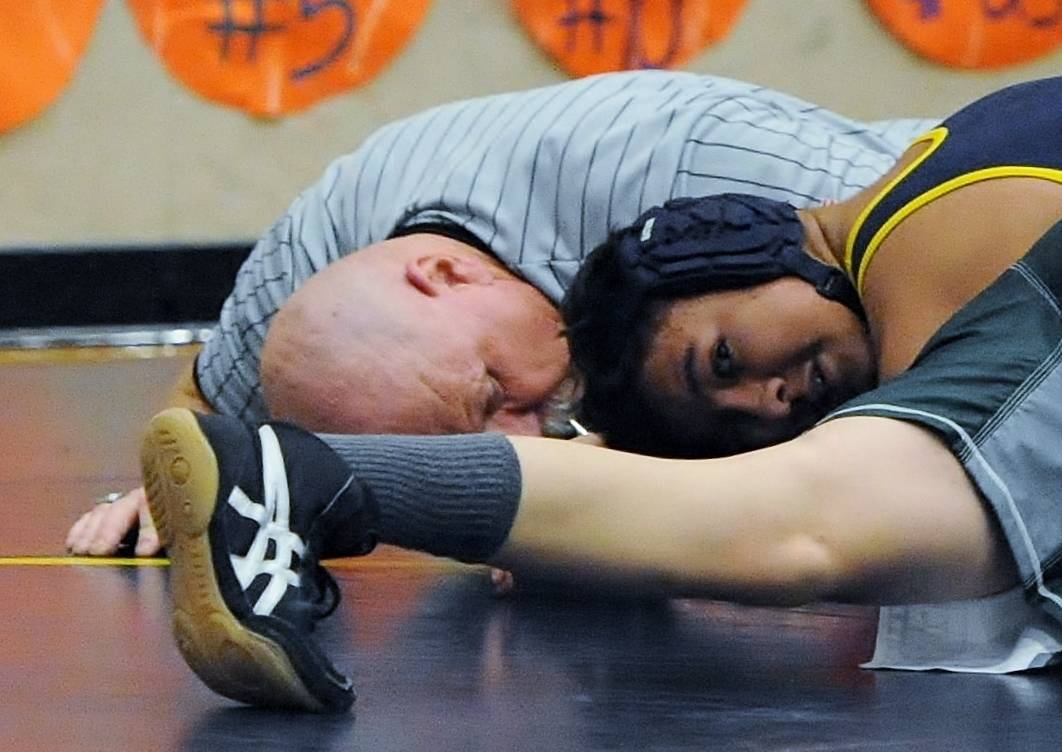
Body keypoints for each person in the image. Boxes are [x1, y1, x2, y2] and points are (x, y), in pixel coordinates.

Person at [137, 75, 1062, 712]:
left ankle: (307, 481)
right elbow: (208, 388)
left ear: (750, 251)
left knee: (826, 527)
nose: (772, 402)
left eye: (722, 360)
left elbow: (811, 527)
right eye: (731, 422)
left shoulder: (887, 240)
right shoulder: (949, 169)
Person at [67, 70, 933, 557]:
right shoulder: (309, 271)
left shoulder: (688, 162)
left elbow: (944, 233)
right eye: (463, 446)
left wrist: (605, 496)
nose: (522, 446)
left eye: (492, 396)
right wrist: (189, 484)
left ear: (448, 274)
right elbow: (205, 414)